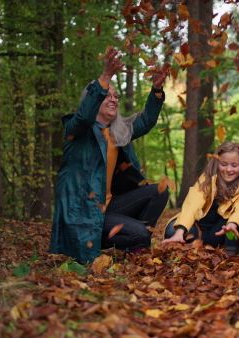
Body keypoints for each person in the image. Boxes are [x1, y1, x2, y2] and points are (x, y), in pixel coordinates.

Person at [50, 47, 169, 264]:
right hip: (84, 210)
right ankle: (133, 241)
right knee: (139, 234)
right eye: (107, 95)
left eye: (116, 96)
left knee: (159, 190)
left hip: (109, 206)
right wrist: (105, 77)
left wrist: (157, 89)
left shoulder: (117, 132)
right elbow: (84, 115)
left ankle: (136, 241)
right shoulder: (77, 129)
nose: (113, 99)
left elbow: (146, 122)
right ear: (94, 100)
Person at [161, 142, 239, 255]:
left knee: (238, 220)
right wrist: (180, 230)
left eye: (234, 166)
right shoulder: (206, 180)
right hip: (196, 232)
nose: (228, 169)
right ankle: (184, 248)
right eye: (224, 164)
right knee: (173, 230)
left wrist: (232, 224)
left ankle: (231, 253)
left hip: (218, 234)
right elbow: (192, 204)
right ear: (216, 163)